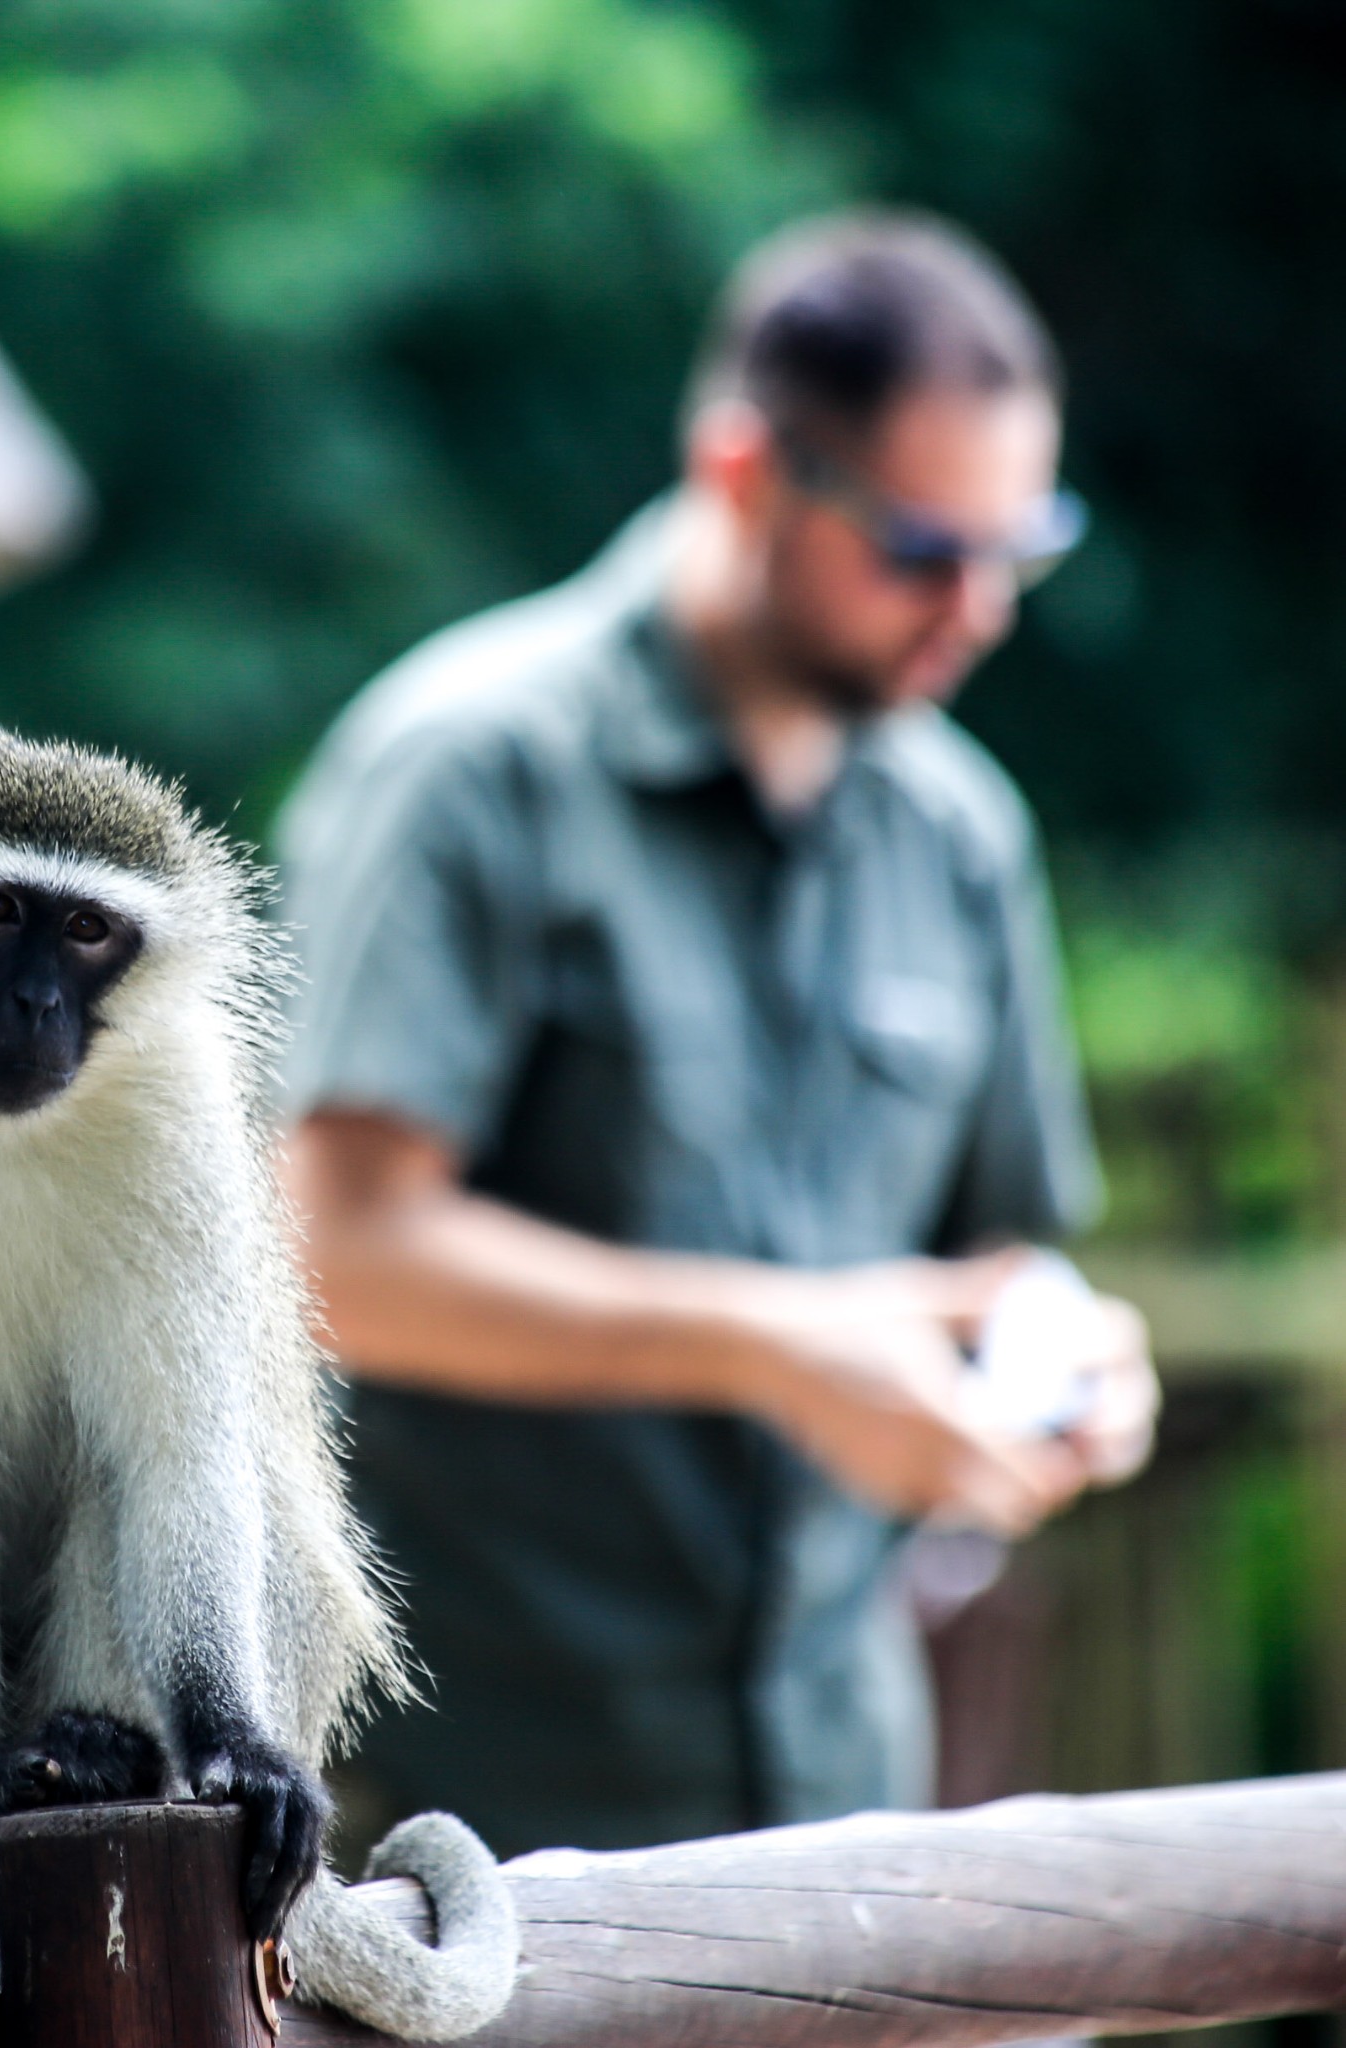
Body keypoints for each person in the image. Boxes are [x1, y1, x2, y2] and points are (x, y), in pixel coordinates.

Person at [275, 211, 1159, 1858]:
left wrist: (1065, 1361)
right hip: (469, 1824)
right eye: (920, 548)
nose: (978, 610)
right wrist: (777, 1343)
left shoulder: (961, 832)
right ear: (749, 473)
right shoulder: (468, 767)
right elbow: (328, 1258)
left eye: (1015, 551)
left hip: (849, 1805)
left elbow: (995, 1265)